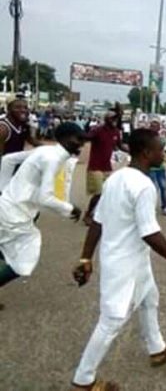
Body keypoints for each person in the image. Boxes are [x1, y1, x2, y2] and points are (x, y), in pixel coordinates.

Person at [71, 128, 166, 391]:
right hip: (123, 264)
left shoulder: (117, 178)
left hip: (135, 261)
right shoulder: (143, 186)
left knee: (150, 299)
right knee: (112, 320)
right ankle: (84, 379)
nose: (164, 153)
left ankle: (157, 349)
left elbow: (98, 221)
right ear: (146, 153)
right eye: (161, 149)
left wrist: (86, 258)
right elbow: (150, 233)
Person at [0, 123, 84, 311]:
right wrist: (70, 208)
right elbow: (45, 197)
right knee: (24, 259)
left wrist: (4, 190)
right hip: (14, 215)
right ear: (65, 137)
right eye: (78, 139)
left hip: (9, 208)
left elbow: (8, 160)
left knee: (9, 250)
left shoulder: (46, 151)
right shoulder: (53, 158)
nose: (81, 144)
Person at [83, 111, 128, 226]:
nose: (114, 121)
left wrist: (132, 150)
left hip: (107, 167)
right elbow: (87, 137)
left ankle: (100, 214)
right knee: (98, 193)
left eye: (116, 119)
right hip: (95, 166)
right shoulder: (98, 130)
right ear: (107, 119)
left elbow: (119, 145)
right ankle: (88, 214)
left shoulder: (116, 132)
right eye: (112, 118)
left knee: (107, 192)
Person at [0, 95, 41, 160]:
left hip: (16, 165)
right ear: (8, 109)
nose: (23, 110)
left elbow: (32, 141)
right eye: (17, 107)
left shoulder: (23, 125)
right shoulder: (3, 129)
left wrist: (52, 149)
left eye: (25, 107)